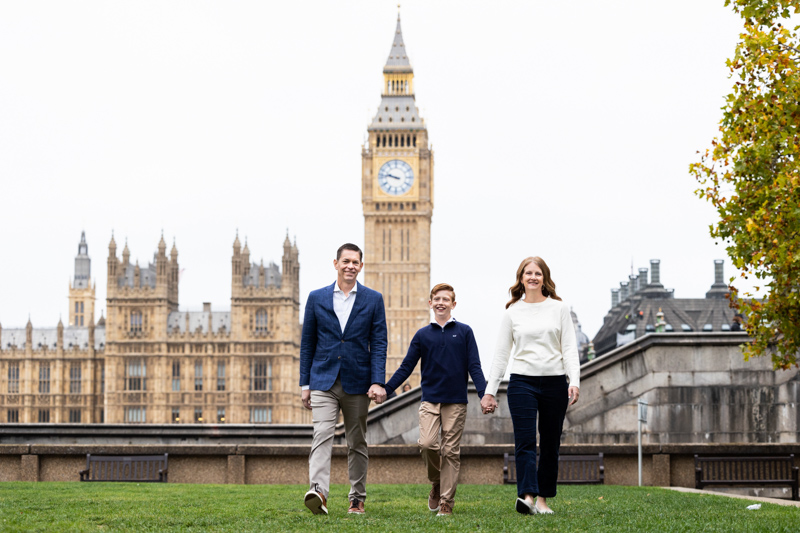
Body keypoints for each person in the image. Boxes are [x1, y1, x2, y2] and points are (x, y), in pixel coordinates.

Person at [481, 257, 580, 516]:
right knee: (524, 441)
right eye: (528, 273)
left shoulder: (559, 308)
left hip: (554, 382)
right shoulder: (512, 312)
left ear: (544, 278)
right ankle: (526, 497)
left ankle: (543, 501)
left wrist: (575, 381)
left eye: (538, 273)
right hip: (522, 382)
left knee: (550, 443)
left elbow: (569, 348)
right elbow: (501, 354)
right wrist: (490, 390)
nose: (533, 277)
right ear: (521, 278)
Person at [384, 283, 487, 517]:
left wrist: (484, 394)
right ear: (430, 303)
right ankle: (437, 481)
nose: (441, 302)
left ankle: (446, 502)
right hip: (430, 400)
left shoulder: (464, 332)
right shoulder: (422, 335)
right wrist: (387, 389)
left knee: (450, 451)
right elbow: (406, 367)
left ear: (453, 304)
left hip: (456, 401)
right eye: (437, 299)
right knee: (427, 444)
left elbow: (475, 367)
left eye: (446, 299)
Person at [299, 243, 388, 516]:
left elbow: (379, 343)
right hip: (323, 379)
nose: (350, 266)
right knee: (322, 435)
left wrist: (377, 381)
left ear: (361, 266)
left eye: (355, 262)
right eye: (345, 261)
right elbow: (307, 344)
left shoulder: (374, 299)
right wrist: (305, 384)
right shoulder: (316, 297)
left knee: (356, 441)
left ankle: (356, 498)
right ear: (335, 263)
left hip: (359, 381)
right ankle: (319, 491)